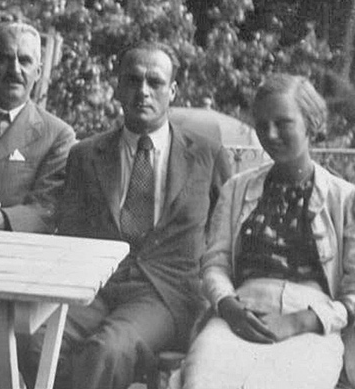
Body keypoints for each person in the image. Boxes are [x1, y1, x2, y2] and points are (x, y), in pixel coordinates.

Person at [22, 41, 231, 389]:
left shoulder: (206, 156)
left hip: (164, 295)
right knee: (36, 341)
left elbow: (227, 236)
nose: (143, 91)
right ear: (117, 87)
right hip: (96, 288)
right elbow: (70, 235)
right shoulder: (86, 155)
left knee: (107, 350)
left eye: (155, 82)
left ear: (172, 91)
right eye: (133, 80)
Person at [182, 74, 355, 389]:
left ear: (310, 124)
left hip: (313, 325)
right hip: (240, 317)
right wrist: (227, 305)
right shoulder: (237, 190)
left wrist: (300, 321)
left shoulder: (350, 201)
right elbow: (215, 263)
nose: (271, 134)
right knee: (201, 381)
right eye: (262, 125)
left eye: (283, 123)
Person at [0, 21, 76, 233]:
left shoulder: (57, 135)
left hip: (9, 244)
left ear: (38, 71)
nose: (14, 69)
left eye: (24, 60)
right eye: (4, 59)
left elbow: (45, 208)